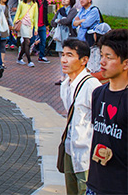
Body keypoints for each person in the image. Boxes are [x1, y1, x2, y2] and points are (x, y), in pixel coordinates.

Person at [87, 29, 128, 195]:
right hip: (95, 184)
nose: (102, 62)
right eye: (101, 55)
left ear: (125, 63)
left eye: (109, 57)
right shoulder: (98, 93)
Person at [59, 39, 101, 194]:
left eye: (70, 55)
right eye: (63, 54)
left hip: (86, 155)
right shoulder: (66, 85)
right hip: (70, 150)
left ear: (84, 60)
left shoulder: (92, 86)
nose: (64, 59)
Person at [15, 0, 38, 67]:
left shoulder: (34, 4)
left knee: (25, 43)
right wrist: (15, 22)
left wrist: (36, 28)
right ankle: (29, 60)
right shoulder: (22, 3)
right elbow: (18, 13)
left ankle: (20, 57)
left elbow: (36, 16)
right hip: (22, 24)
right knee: (27, 41)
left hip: (29, 25)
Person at [0, 0, 13, 68]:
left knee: (3, 45)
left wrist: (11, 25)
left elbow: (9, 17)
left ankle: (2, 62)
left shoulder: (7, 7)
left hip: (5, 28)